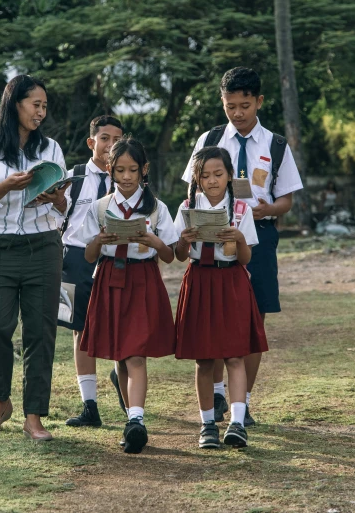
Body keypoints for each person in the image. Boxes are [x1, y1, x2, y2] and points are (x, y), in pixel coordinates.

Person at [182, 67, 303, 426]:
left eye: (245, 105)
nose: (238, 113)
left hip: (259, 235)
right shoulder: (209, 138)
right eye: (230, 105)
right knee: (213, 315)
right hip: (212, 235)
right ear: (223, 103)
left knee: (253, 317)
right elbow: (191, 189)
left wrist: (268, 209)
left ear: (259, 102)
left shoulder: (276, 145)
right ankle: (218, 395)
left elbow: (287, 201)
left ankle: (243, 401)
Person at [0, 74, 68, 442]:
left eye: (44, 106)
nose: (41, 112)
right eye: (34, 104)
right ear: (14, 103)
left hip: (43, 246)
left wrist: (55, 198)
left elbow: (62, 210)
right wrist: (6, 186)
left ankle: (34, 415)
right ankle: (0, 400)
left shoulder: (51, 148)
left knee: (40, 332)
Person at [76, 137, 178, 454]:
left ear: (144, 170)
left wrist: (151, 239)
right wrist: (100, 239)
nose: (126, 176)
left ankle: (137, 420)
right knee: (121, 355)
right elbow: (89, 255)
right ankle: (130, 419)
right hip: (109, 277)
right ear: (110, 169)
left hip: (142, 279)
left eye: (133, 169)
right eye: (120, 170)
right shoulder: (100, 207)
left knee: (135, 353)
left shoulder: (157, 208)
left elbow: (170, 255)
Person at [174, 146, 268, 449]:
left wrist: (239, 238)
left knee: (235, 354)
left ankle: (237, 423)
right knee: (203, 359)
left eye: (218, 174)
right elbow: (178, 256)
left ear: (229, 176)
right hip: (200, 280)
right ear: (196, 178)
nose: (212, 181)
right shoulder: (187, 207)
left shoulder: (241, 209)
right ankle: (207, 426)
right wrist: (184, 241)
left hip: (231, 281)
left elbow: (245, 258)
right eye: (205, 175)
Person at [58, 115, 127, 428]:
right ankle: (90, 406)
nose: (110, 145)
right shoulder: (74, 176)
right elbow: (59, 215)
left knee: (119, 326)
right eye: (104, 138)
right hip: (76, 259)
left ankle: (122, 378)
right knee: (80, 329)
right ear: (91, 142)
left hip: (115, 259)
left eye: (117, 140)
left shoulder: (127, 179)